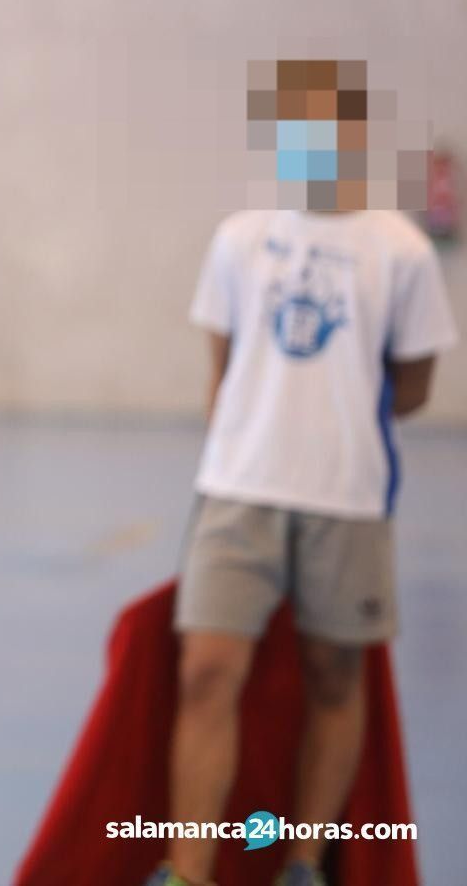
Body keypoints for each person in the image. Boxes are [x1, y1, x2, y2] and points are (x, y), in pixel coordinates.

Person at [147, 61, 458, 886]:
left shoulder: (402, 252)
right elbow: (223, 371)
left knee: (334, 677)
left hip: (346, 499)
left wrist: (337, 425)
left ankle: (305, 861)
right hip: (238, 493)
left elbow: (416, 385)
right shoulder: (242, 237)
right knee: (207, 672)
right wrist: (252, 442)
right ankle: (188, 871)